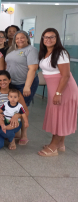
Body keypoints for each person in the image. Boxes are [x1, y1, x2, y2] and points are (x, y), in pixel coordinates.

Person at [37, 28, 78, 157]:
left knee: (60, 116)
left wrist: (58, 93)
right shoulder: (45, 52)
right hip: (54, 88)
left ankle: (53, 146)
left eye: (52, 37)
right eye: (46, 37)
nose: (48, 39)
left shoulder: (61, 53)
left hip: (64, 89)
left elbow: (65, 76)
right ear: (42, 39)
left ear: (57, 38)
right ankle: (60, 144)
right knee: (60, 115)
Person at [5, 30, 39, 145]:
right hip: (12, 83)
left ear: (27, 38)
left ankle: (24, 135)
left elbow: (32, 69)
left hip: (24, 84)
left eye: (22, 37)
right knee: (13, 107)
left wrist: (27, 86)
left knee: (23, 108)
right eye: (17, 38)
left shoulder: (31, 50)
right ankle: (16, 132)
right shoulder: (12, 50)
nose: (19, 40)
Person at [0, 70, 29, 150]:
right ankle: (4, 134)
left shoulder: (16, 94)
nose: (2, 82)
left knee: (6, 132)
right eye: (0, 80)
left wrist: (17, 115)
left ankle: (11, 139)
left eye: (5, 80)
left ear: (9, 80)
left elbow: (26, 111)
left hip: (13, 122)